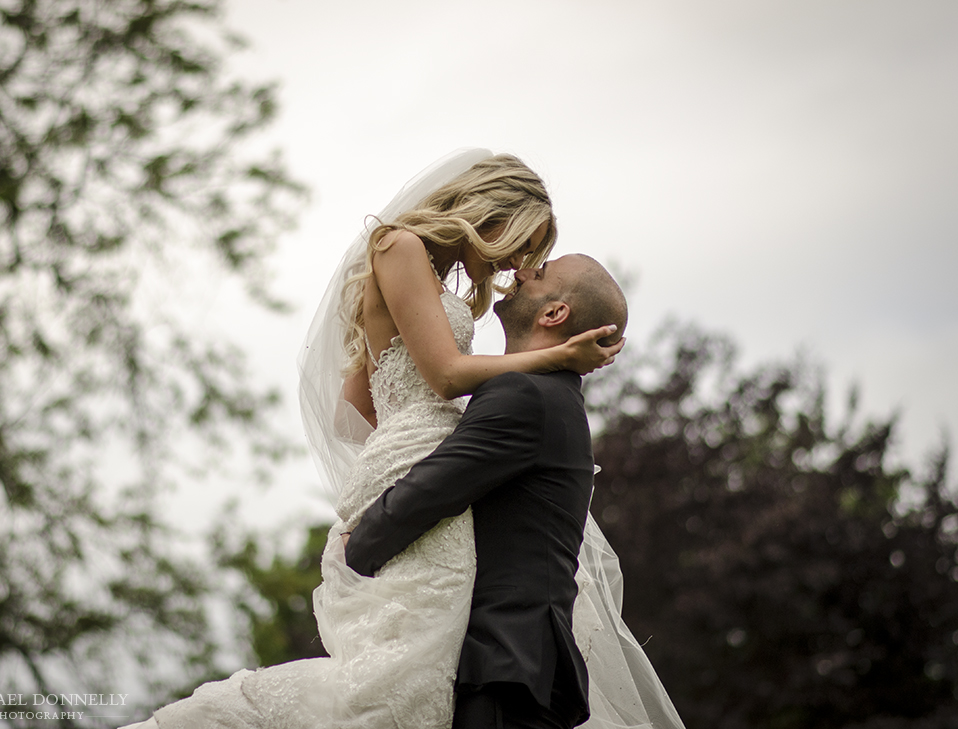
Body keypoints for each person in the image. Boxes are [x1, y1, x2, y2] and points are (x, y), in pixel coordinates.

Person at [118, 150, 622, 729]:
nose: (515, 267)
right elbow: (447, 376)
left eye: (532, 260)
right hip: (418, 450)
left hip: (410, 446)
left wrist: (402, 418)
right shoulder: (399, 245)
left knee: (419, 639)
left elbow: (355, 406)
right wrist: (559, 356)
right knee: (413, 643)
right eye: (521, 245)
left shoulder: (419, 277)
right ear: (492, 213)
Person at [344, 254, 684, 729]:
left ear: (554, 313)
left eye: (540, 274)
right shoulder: (545, 395)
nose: (521, 272)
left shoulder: (526, 396)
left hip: (506, 674)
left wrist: (351, 550)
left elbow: (425, 494)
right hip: (514, 670)